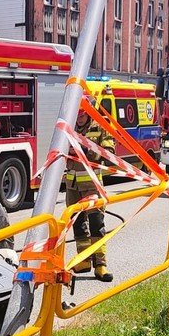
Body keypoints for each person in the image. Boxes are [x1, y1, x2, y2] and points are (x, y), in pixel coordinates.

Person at [64, 94, 115, 282]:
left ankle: (100, 265)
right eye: (76, 115)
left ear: (89, 113)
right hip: (72, 185)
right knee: (78, 223)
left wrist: (85, 151)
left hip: (92, 185)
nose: (78, 118)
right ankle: (84, 260)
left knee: (96, 224)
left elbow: (109, 153)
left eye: (82, 115)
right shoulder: (69, 128)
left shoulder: (100, 128)